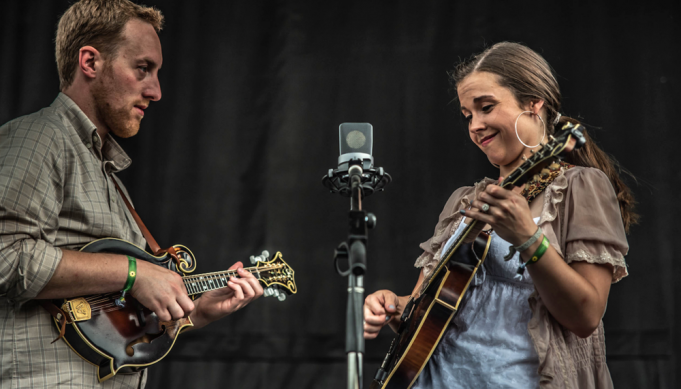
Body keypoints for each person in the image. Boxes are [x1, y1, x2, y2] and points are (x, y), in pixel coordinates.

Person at [0, 1, 263, 388]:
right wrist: (134, 273)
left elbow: (112, 318)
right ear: (90, 62)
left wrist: (195, 311)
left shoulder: (110, 179)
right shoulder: (37, 138)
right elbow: (6, 256)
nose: (155, 91)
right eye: (143, 69)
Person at [363, 42, 635, 388]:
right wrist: (394, 305)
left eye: (486, 107)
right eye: (467, 116)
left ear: (534, 102)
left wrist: (527, 238)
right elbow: (431, 308)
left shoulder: (580, 186)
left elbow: (586, 317)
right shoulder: (465, 201)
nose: (475, 125)